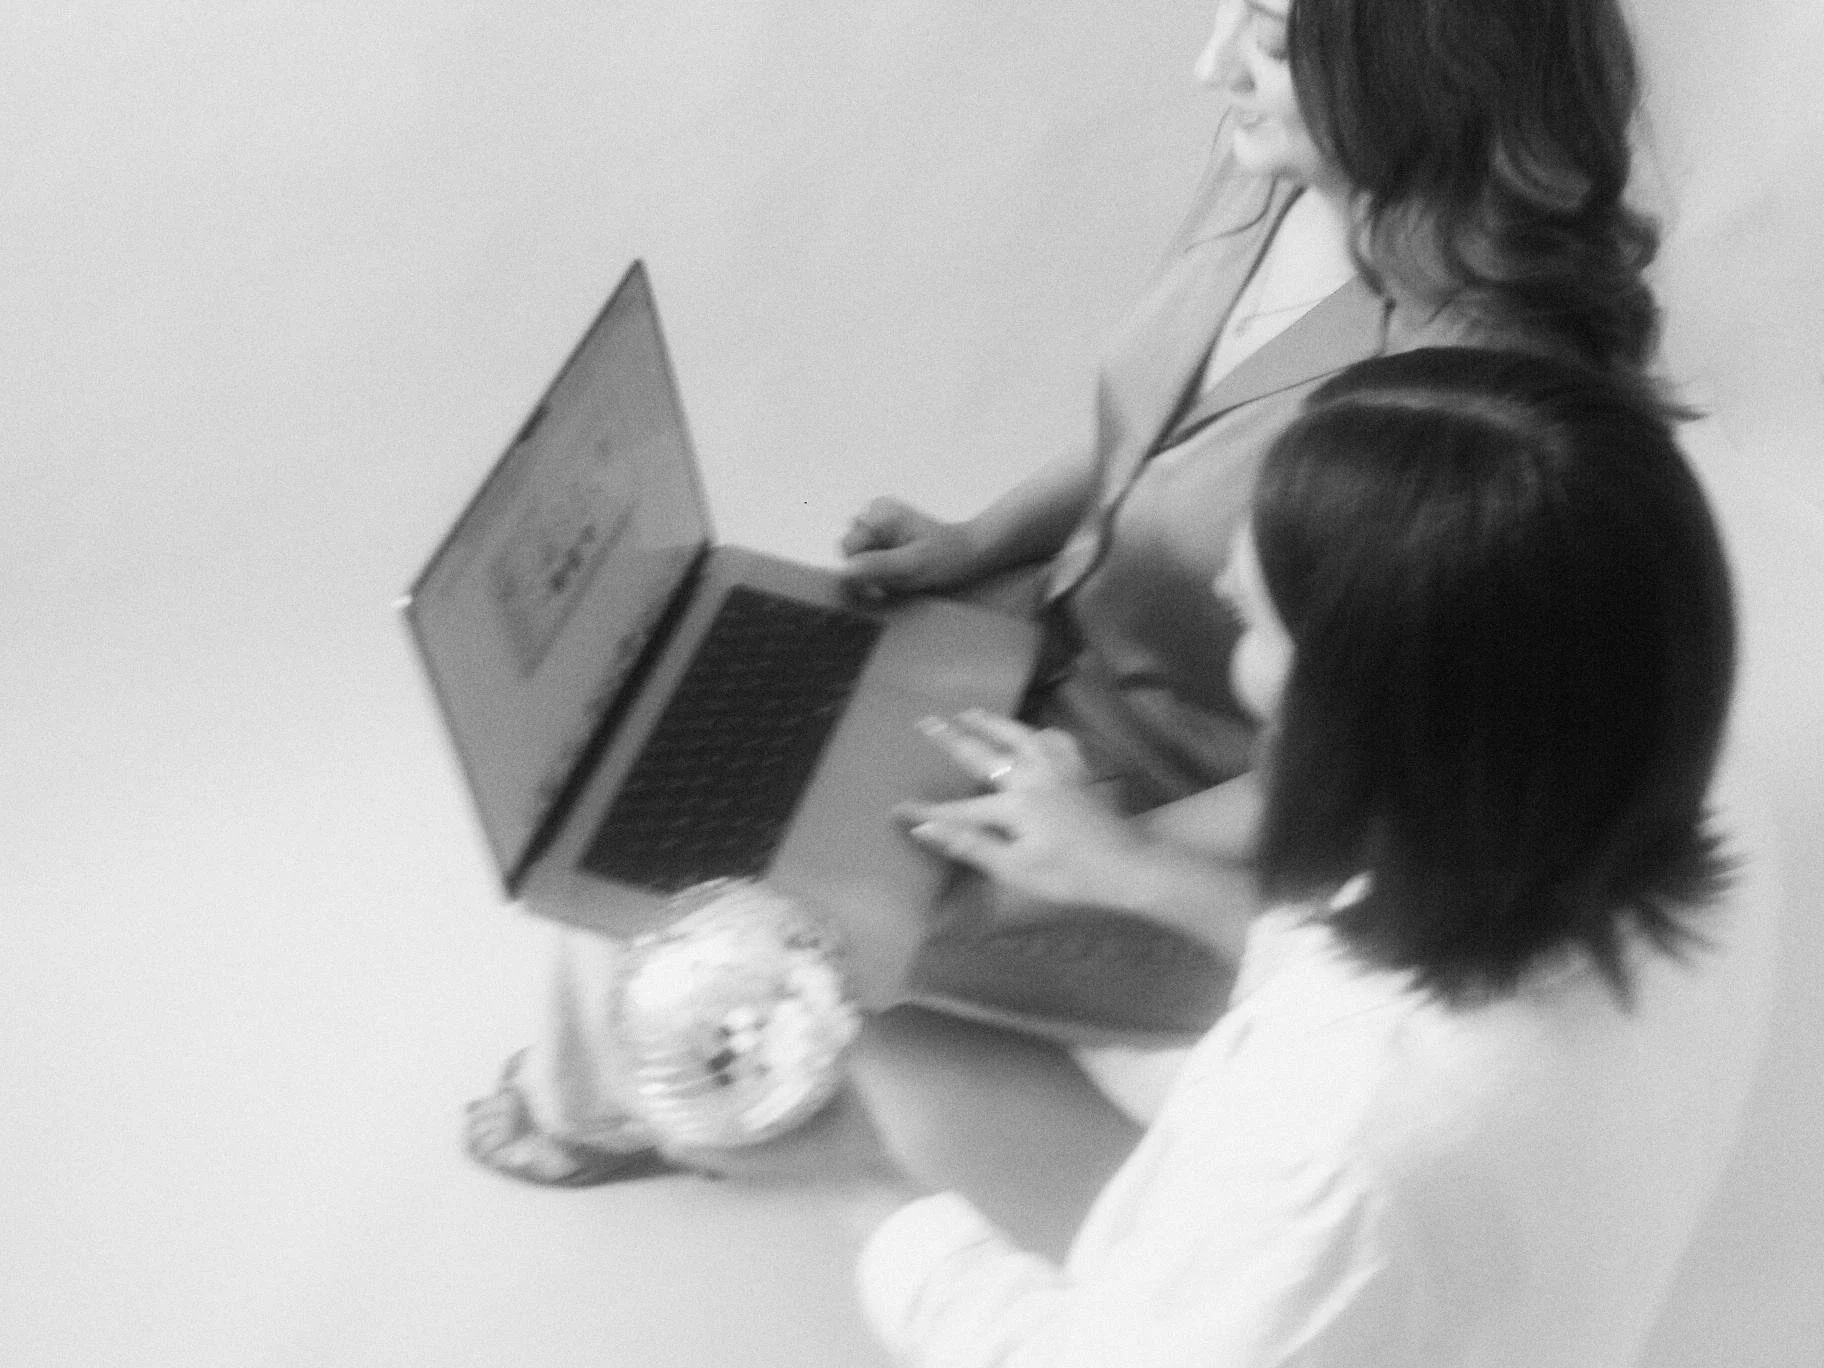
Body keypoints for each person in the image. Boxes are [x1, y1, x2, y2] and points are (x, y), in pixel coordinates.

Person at [466, 0, 1673, 1181]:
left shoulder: (1485, 394)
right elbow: (1152, 431)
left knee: (715, 862)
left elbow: (1375, 755)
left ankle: (594, 1115)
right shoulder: (1275, 170)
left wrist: (1102, 857)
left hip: (1193, 799)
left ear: (1430, 71)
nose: (1213, 68)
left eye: (1264, 39)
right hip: (1046, 649)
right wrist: (973, 543)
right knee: (707, 723)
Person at [672, 347, 1756, 1368]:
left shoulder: (1331, 1167)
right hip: (1453, 1273)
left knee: (860, 1040)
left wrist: (866, 1191)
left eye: (1255, 625)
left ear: (1376, 707)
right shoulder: (1655, 796)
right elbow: (1368, 974)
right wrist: (1128, 869)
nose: (1240, 659)